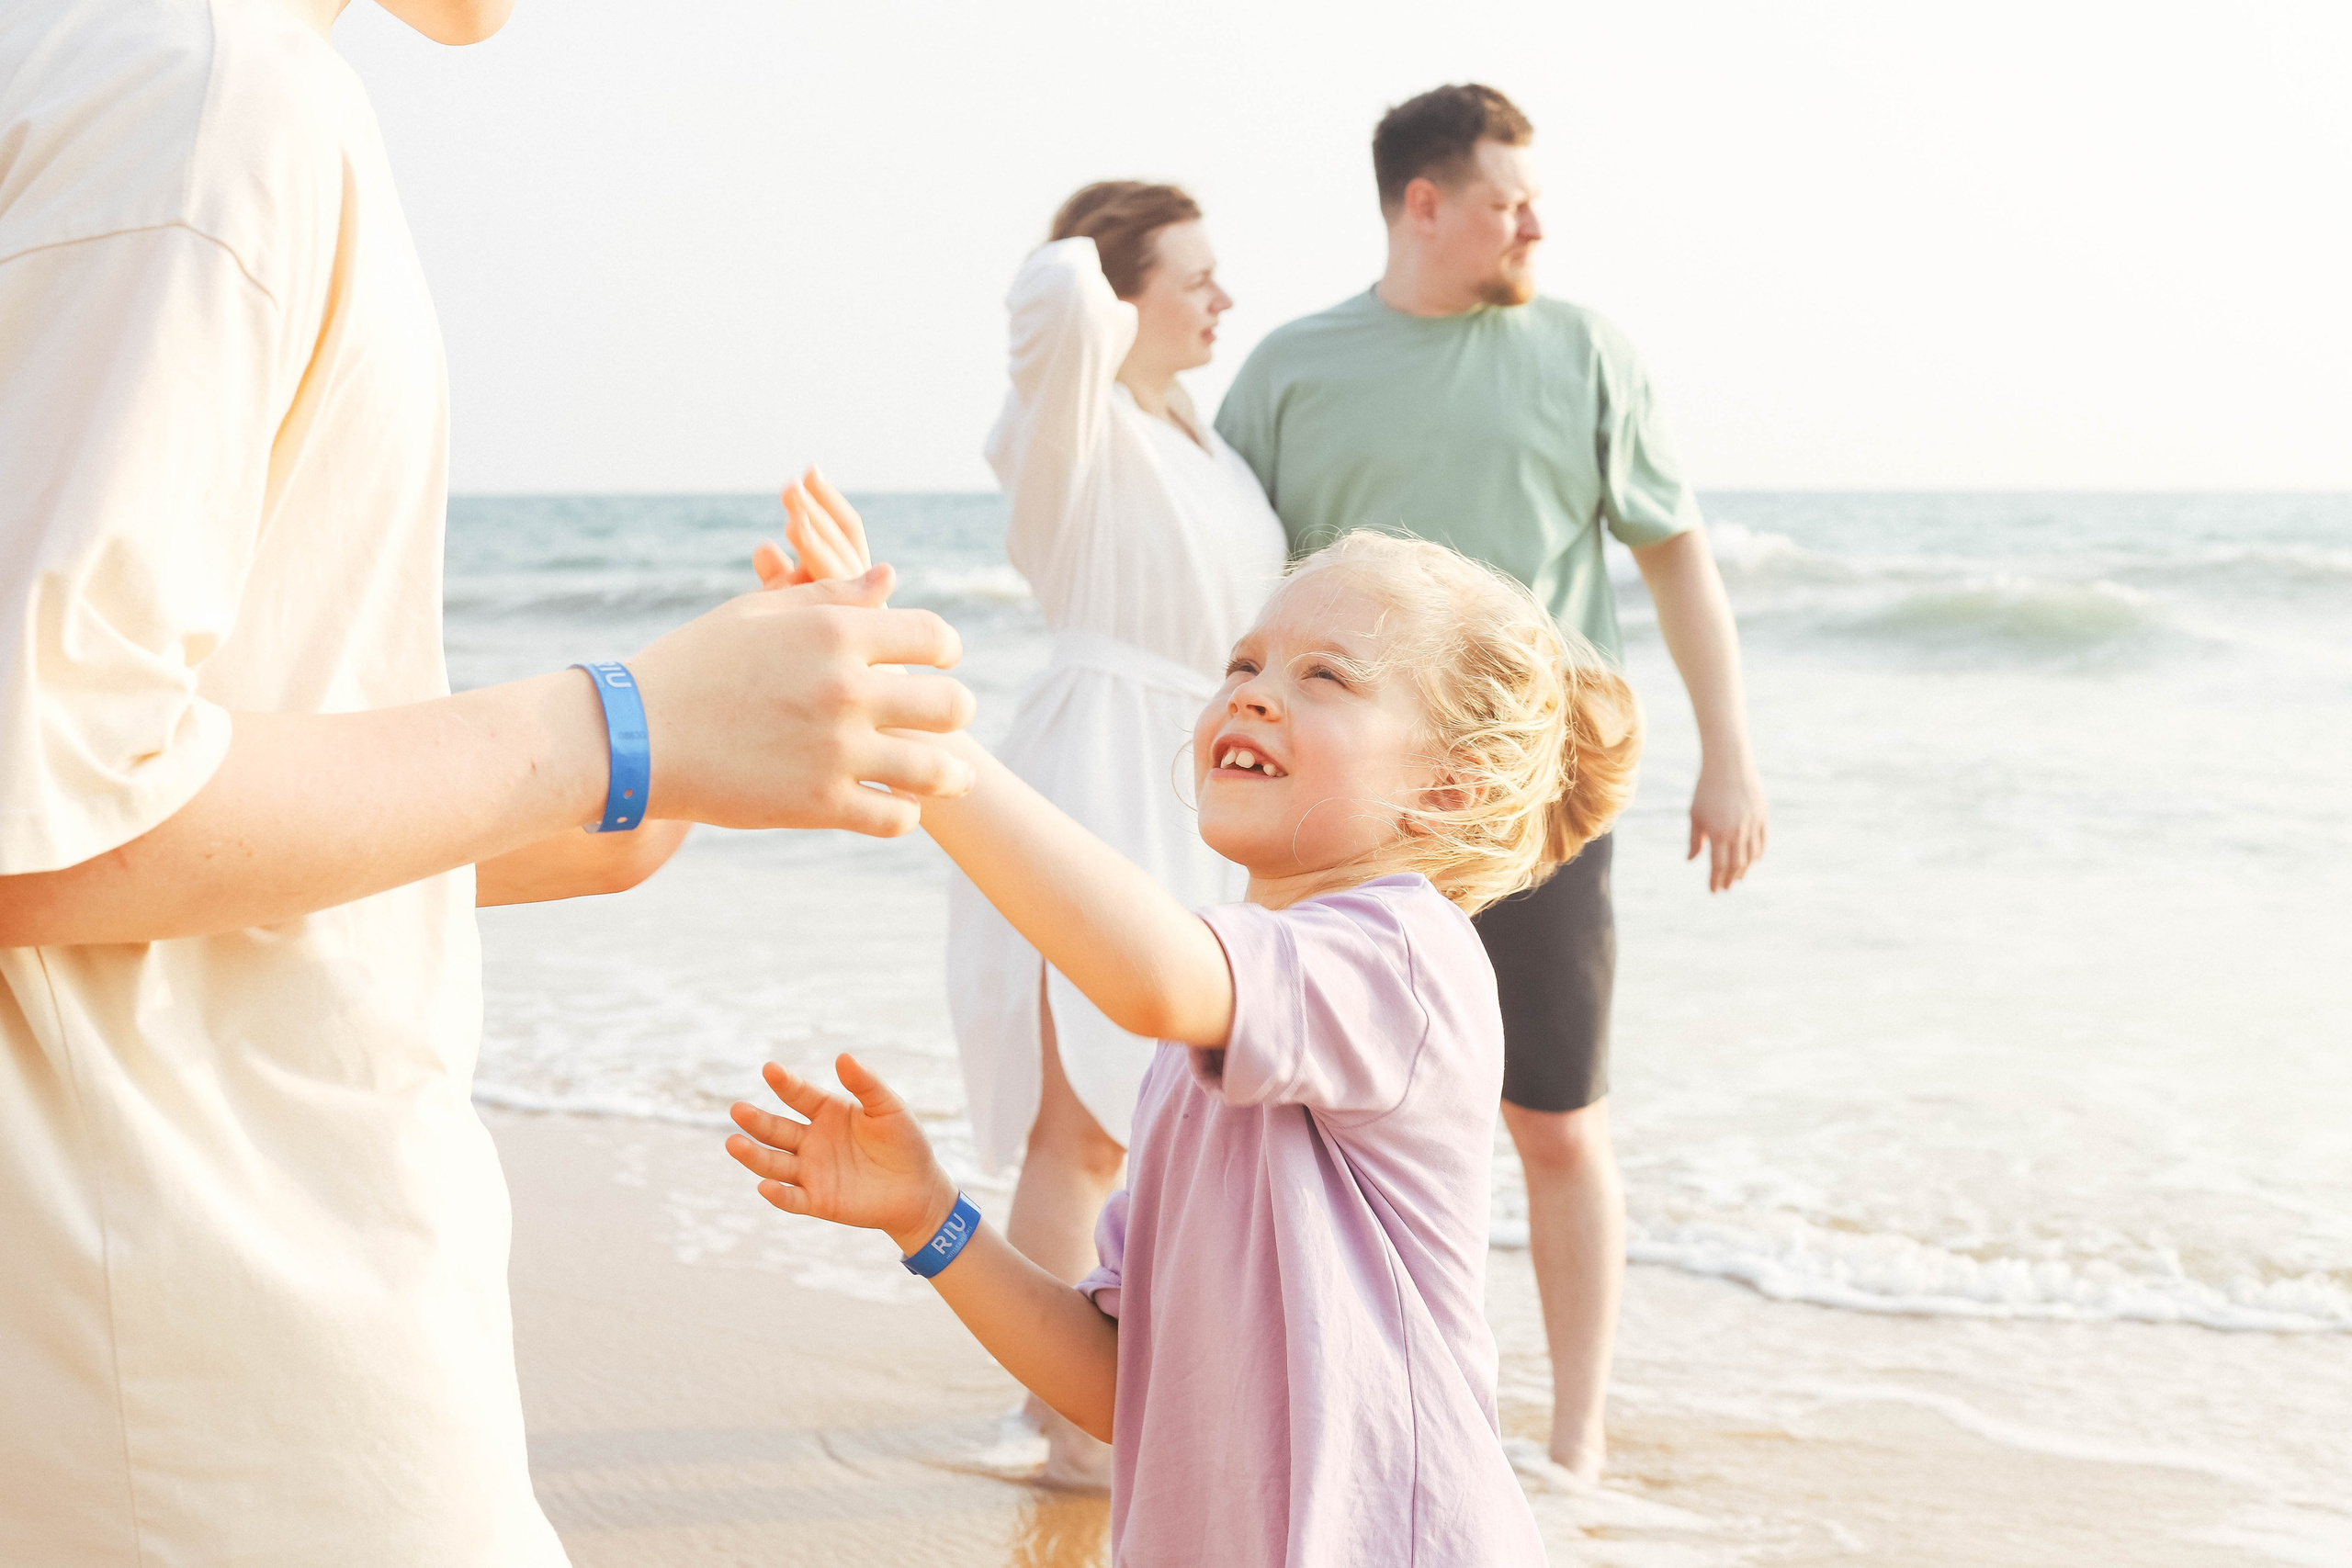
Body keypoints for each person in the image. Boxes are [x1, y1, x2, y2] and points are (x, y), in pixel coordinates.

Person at [0, 1, 975, 1561]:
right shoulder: (199, 94)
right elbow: (42, 821)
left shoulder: (154, 72)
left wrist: (648, 780)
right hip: (214, 1340)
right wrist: (615, 724)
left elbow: (153, 785)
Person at [727, 531, 1642, 1565]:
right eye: (1242, 665)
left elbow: (1150, 973)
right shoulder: (1209, 1034)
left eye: (1325, 675)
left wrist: (925, 742)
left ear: (1447, 789)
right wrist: (928, 1215)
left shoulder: (1405, 957)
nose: (1252, 694)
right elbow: (1124, 1386)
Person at [1212, 83, 1770, 1484]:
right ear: (1425, 203)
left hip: (1531, 806)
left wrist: (1728, 751)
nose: (1538, 221)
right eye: (1513, 197)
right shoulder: (1290, 369)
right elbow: (1225, 581)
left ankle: (1574, 1440)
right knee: (1292, 1100)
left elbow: (1674, 552)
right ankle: (1323, 1405)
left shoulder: (1585, 352)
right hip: (1336, 809)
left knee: (1557, 1118)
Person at [951, 181, 1287, 1479]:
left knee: (1168, 1115)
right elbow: (1051, 299)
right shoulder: (1067, 425)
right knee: (1080, 1119)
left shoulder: (1207, 443)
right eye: (1194, 276)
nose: (1223, 299)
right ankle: (1053, 1419)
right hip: (1093, 768)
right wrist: (1094, 249)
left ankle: (1124, 1389)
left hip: (1200, 781)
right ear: (1123, 291)